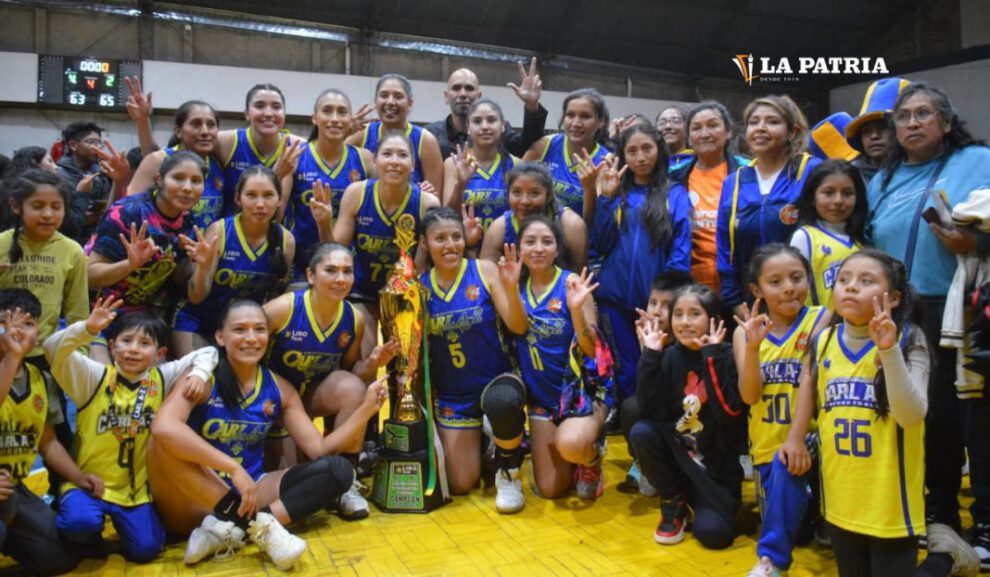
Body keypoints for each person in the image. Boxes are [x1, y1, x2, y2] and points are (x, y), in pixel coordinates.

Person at [148, 299, 384, 570]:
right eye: (239, 330)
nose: (251, 338)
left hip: (250, 491)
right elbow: (164, 427)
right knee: (160, 443)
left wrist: (365, 412)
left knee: (338, 470)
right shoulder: (202, 377)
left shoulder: (279, 388)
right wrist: (232, 468)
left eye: (259, 330)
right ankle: (256, 526)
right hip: (192, 497)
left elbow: (318, 448)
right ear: (220, 337)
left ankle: (246, 527)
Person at [865, 82, 990, 569]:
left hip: (965, 308)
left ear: (945, 121)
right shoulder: (883, 178)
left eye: (923, 114)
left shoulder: (978, 161)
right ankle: (939, 517)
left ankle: (986, 522)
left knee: (976, 420)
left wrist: (976, 245)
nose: (911, 123)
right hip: (906, 314)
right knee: (927, 418)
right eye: (903, 117)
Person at [782, 250, 930, 576]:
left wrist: (888, 352)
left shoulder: (910, 339)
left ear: (892, 298)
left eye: (866, 281)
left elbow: (912, 415)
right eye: (843, 280)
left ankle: (942, 560)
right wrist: (795, 435)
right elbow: (808, 390)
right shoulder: (824, 341)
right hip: (840, 501)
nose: (850, 288)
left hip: (890, 504)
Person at [43, 295, 218, 564]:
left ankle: (129, 530)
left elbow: (209, 352)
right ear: (112, 347)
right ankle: (84, 535)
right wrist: (86, 329)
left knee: (146, 550)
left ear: (160, 354)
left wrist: (200, 373)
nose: (133, 349)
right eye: (126, 341)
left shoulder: (162, 376)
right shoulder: (93, 377)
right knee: (80, 523)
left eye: (144, 343)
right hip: (88, 484)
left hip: (133, 493)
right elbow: (53, 349)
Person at [264, 243, 399, 517]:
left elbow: (349, 374)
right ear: (311, 276)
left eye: (347, 272)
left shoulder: (354, 318)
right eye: (331, 271)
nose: (340, 279)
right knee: (294, 479)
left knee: (351, 388)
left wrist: (373, 362)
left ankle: (346, 479)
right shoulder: (280, 310)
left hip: (311, 396)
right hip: (273, 402)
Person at [419, 208, 528, 511]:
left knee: (502, 401)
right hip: (454, 393)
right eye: (440, 238)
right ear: (425, 244)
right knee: (461, 483)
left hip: (497, 379)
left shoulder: (484, 270)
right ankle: (486, 439)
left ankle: (509, 469)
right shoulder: (418, 286)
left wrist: (511, 290)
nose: (450, 245)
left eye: (456, 236)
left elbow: (519, 327)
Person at [732, 244, 829, 577]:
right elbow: (750, 395)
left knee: (789, 458)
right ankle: (814, 520)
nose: (789, 287)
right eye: (775, 282)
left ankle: (772, 562)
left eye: (796, 277)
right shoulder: (743, 334)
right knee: (800, 534)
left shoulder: (821, 318)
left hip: (812, 442)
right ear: (757, 290)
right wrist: (754, 348)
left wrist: (796, 439)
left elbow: (810, 377)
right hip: (765, 450)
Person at [580, 125, 692, 406]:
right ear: (623, 155)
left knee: (655, 361)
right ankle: (630, 417)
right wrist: (606, 198)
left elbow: (681, 248)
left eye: (647, 149)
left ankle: (651, 423)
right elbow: (600, 243)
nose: (640, 157)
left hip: (655, 302)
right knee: (624, 368)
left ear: (659, 150)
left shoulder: (674, 192)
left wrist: (666, 298)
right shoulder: (617, 191)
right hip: (613, 299)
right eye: (632, 150)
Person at [630, 284, 745, 550]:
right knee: (641, 430)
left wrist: (711, 357)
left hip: (716, 469)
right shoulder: (668, 355)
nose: (684, 322)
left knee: (714, 535)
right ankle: (674, 500)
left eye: (695, 314)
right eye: (678, 314)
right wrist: (650, 355)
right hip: (680, 456)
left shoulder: (726, 355)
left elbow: (729, 414)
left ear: (713, 320)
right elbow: (648, 410)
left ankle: (704, 503)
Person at [512, 216, 609, 500]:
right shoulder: (516, 287)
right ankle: (569, 452)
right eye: (530, 242)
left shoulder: (572, 284)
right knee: (552, 489)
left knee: (571, 444)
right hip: (542, 401)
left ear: (557, 249)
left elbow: (593, 351)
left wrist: (577, 311)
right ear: (519, 248)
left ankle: (591, 456)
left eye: (547, 241)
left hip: (580, 396)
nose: (538, 248)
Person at [333, 130, 440, 359]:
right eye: (387, 154)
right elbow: (336, 252)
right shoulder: (357, 193)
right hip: (362, 292)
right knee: (368, 355)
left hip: (404, 294)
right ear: (375, 160)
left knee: (408, 366)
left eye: (402, 155)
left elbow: (421, 267)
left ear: (412, 164)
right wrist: (324, 222)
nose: (394, 161)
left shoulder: (426, 203)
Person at [87, 151, 204, 360]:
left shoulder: (189, 222)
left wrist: (201, 262)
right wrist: (129, 265)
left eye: (196, 181)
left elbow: (177, 276)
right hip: (96, 316)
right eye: (178, 178)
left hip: (140, 322)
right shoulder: (127, 212)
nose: (187, 187)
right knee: (104, 385)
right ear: (159, 180)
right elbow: (89, 275)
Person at [0, 290, 85, 576]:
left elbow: (47, 442)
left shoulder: (40, 379)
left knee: (58, 556)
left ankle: (13, 537)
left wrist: (78, 476)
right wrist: (12, 356)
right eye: (6, 323)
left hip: (13, 488)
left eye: (27, 324)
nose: (17, 332)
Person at [172, 166, 295, 357]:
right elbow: (196, 298)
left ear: (279, 200)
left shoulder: (285, 240)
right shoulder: (219, 231)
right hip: (199, 321)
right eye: (251, 195)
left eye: (268, 195)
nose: (260, 204)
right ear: (238, 199)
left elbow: (274, 298)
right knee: (196, 377)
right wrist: (203, 267)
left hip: (244, 329)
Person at [716, 95, 821, 318]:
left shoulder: (811, 172)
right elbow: (725, 245)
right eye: (754, 122)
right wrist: (735, 302)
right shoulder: (734, 181)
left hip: (804, 303)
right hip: (751, 304)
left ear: (792, 132)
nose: (760, 128)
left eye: (772, 122)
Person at [280, 89, 373, 280]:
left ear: (350, 120)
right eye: (327, 111)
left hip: (347, 267)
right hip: (301, 265)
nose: (335, 118)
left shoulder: (365, 159)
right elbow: (277, 214)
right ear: (314, 118)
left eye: (342, 112)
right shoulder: (296, 156)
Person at [0, 169, 88, 363]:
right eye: (38, 206)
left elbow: (78, 310)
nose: (48, 214)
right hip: (3, 351)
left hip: (44, 356)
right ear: (16, 206)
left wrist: (80, 353)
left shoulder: (72, 251)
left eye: (56, 207)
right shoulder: (2, 244)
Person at [619, 271, 693, 495]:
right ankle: (644, 462)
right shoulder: (646, 334)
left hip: (688, 417)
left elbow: (675, 395)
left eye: (666, 305)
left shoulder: (690, 338)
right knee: (632, 407)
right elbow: (648, 397)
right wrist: (646, 350)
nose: (656, 311)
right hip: (659, 412)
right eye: (653, 302)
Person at [671, 101, 749, 294]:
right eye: (696, 128)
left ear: (728, 132)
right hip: (690, 289)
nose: (705, 133)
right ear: (689, 138)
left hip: (739, 284)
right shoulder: (674, 176)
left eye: (713, 125)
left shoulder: (747, 173)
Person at [126, 100, 226, 231]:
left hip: (205, 248)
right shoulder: (157, 160)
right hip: (163, 247)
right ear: (178, 131)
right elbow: (128, 211)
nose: (205, 131)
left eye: (211, 125)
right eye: (196, 124)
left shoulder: (220, 160)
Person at [426, 60, 548, 160]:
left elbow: (529, 149)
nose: (463, 93)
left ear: (479, 97)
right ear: (446, 96)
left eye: (469, 88)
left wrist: (532, 107)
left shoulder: (501, 131)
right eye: (456, 88)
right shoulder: (430, 136)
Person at [480, 162, 588, 270]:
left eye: (534, 193)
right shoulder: (499, 228)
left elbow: (579, 276)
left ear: (548, 195)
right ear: (508, 194)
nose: (525, 201)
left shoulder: (571, 225)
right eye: (517, 192)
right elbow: (485, 278)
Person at [347, 74, 444, 192]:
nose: (390, 102)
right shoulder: (361, 133)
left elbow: (436, 197)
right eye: (384, 95)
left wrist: (427, 194)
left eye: (398, 96)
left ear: (410, 104)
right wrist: (345, 132)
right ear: (375, 101)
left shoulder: (425, 140)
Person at [790, 160, 867, 308]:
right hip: (817, 328)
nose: (838, 201)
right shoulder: (804, 237)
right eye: (828, 193)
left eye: (847, 193)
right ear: (812, 198)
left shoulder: (863, 240)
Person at [523, 88, 610, 216]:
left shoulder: (605, 162)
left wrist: (589, 189)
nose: (576, 123)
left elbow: (593, 223)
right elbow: (516, 182)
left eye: (585, 116)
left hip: (579, 233)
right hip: (539, 230)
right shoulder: (546, 144)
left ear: (601, 121)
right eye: (570, 115)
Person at [442, 99, 518, 233]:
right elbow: (446, 217)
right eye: (477, 121)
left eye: (491, 120)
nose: (484, 127)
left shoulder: (517, 165)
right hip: (464, 247)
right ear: (468, 129)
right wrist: (460, 184)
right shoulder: (452, 163)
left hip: (504, 248)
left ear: (502, 126)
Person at [845, 77, 911, 185]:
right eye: (866, 131)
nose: (874, 136)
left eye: (883, 128)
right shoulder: (849, 179)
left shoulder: (923, 171)